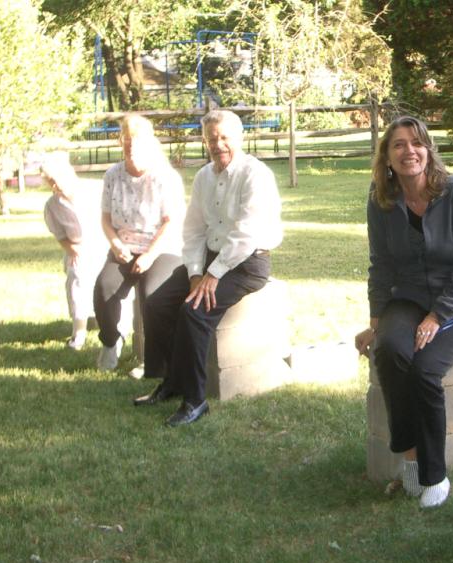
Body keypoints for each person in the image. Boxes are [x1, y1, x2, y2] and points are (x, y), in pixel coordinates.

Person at [354, 116, 453, 508]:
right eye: (398, 144)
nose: (408, 151)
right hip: (407, 296)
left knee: (425, 370)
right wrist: (376, 322)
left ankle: (435, 475)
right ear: (387, 157)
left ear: (428, 150)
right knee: (390, 352)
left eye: (416, 143)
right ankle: (410, 458)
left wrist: (437, 316)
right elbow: (380, 263)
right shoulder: (381, 198)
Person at [136, 109, 282, 427]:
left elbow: (247, 233)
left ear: (239, 137)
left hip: (247, 262)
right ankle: (172, 381)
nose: (218, 145)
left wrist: (214, 274)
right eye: (211, 139)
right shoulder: (204, 176)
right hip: (211, 258)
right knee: (157, 304)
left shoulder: (255, 174)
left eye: (224, 137)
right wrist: (195, 273)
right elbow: (193, 230)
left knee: (194, 312)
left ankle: (195, 400)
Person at [93, 114, 185, 371]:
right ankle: (111, 341)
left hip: (162, 248)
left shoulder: (165, 176)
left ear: (150, 143)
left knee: (152, 296)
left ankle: (152, 360)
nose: (131, 146)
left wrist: (149, 256)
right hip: (124, 246)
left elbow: (171, 222)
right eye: (127, 140)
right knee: (104, 288)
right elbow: (105, 219)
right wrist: (116, 244)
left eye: (137, 140)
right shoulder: (113, 175)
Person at [41, 152, 106, 350]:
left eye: (57, 180)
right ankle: (79, 330)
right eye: (50, 182)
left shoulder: (97, 190)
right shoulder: (52, 206)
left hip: (106, 244)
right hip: (78, 248)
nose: (55, 186)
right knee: (77, 275)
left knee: (108, 280)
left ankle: (111, 321)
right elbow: (60, 235)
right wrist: (72, 250)